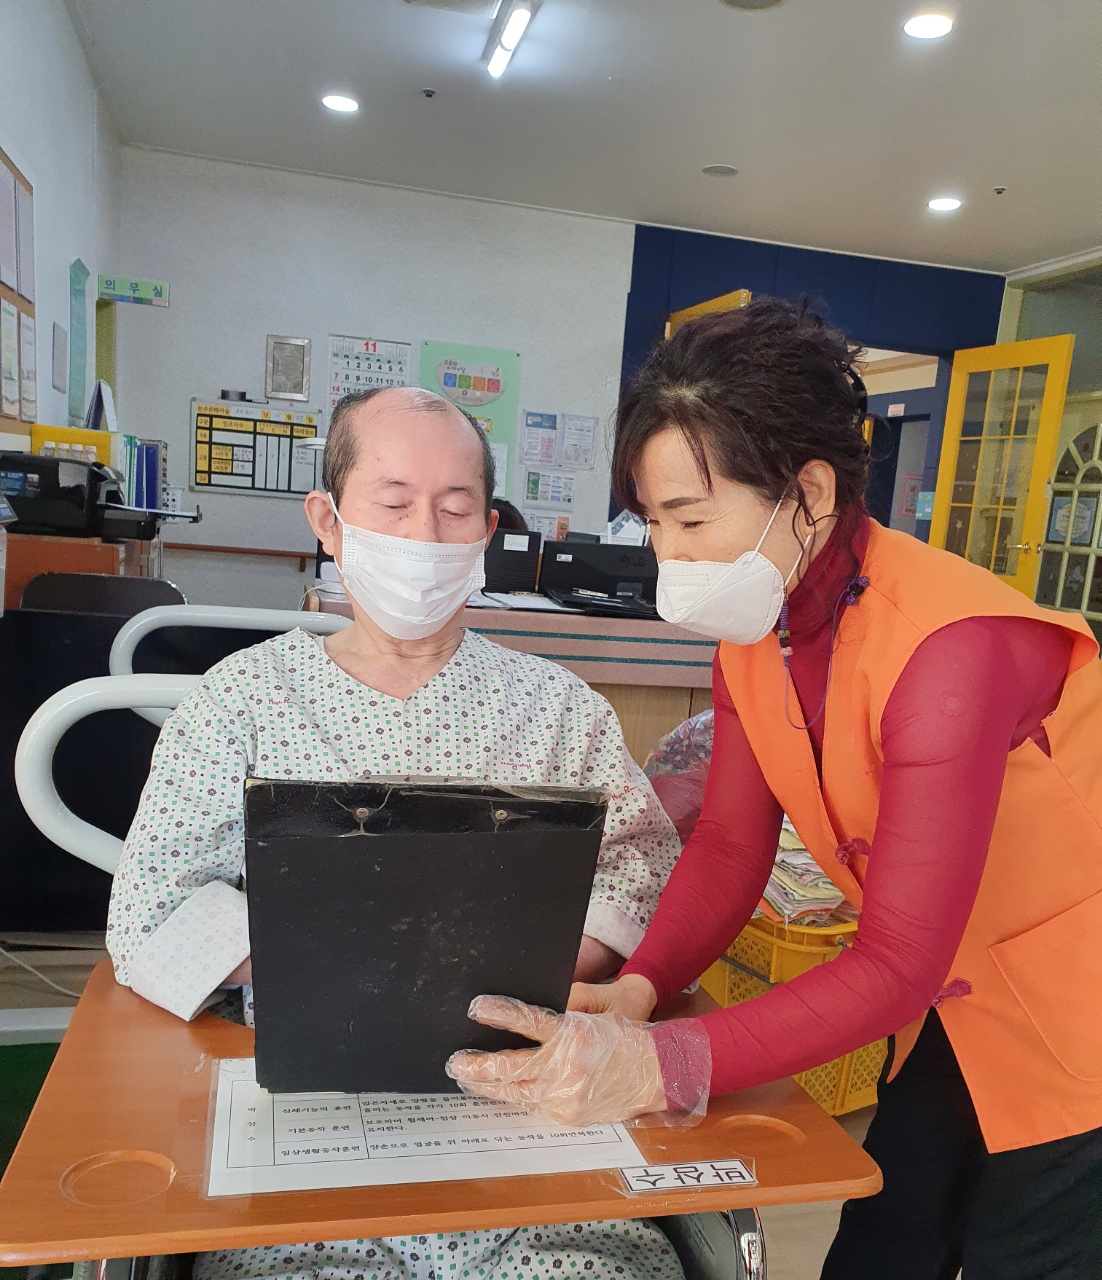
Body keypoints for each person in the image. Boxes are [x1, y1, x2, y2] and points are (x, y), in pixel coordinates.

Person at [448, 299, 1102, 1280]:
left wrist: (663, 1063)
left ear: (809, 492)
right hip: (961, 998)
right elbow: (728, 845)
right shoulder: (762, 628)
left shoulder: (949, 650)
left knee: (1030, 1249)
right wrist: (638, 990)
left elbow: (897, 958)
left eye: (691, 519)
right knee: (887, 1244)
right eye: (652, 522)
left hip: (1078, 1008)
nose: (668, 555)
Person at [106, 386, 684, 1280]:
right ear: (328, 521)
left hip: (523, 1095)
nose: (424, 534)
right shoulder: (239, 703)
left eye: (455, 508)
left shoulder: (560, 710)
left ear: (487, 528)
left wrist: (534, 963)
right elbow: (150, 913)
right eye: (393, 503)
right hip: (311, 1107)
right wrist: (360, 964)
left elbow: (643, 869)